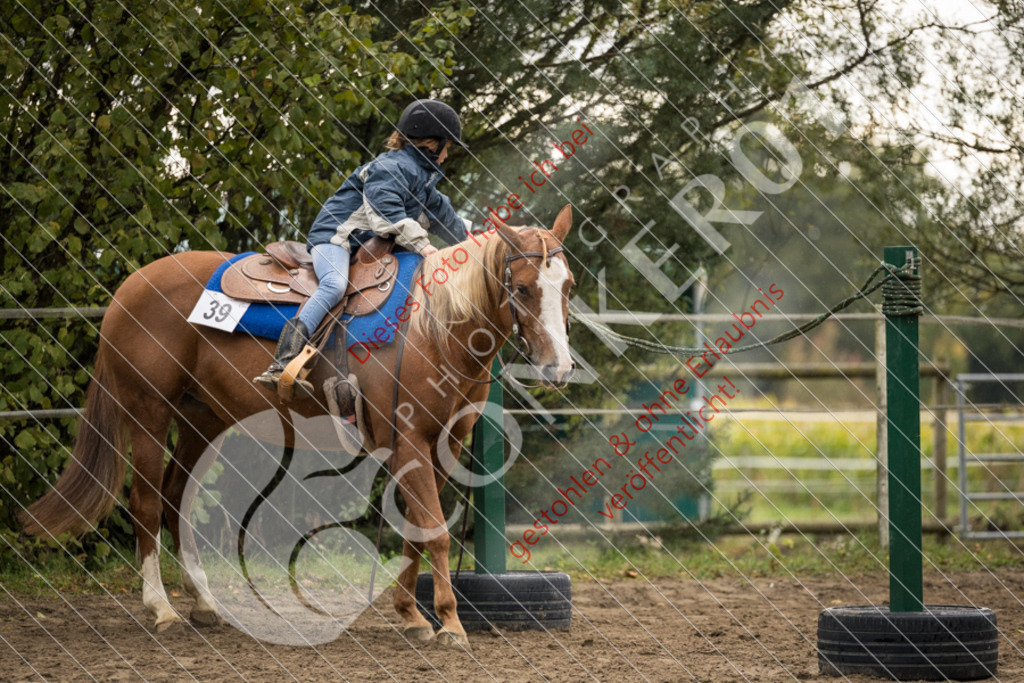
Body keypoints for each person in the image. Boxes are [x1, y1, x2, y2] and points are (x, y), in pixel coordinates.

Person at [254, 99, 469, 395]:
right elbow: (387, 214)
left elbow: (447, 219)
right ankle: (282, 361)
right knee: (334, 285)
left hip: (361, 245)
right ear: (433, 143)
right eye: (448, 146)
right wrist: (424, 246)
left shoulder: (423, 181)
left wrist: (478, 245)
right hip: (335, 238)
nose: (447, 155)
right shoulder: (390, 168)